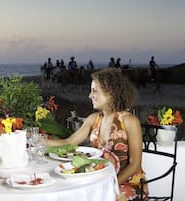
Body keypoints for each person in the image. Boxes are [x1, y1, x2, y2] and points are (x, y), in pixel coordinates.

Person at [43, 68, 148, 201]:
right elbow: (68, 143)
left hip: (128, 183)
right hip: (99, 181)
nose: (90, 96)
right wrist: (36, 139)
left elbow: (135, 164)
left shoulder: (129, 121)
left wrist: (111, 183)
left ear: (111, 93)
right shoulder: (94, 119)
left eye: (95, 91)